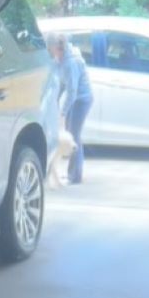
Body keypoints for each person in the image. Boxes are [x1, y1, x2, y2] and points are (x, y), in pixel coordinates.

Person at [46, 32, 93, 185]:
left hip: (82, 99)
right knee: (71, 132)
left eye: (49, 47)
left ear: (56, 47)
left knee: (73, 135)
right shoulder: (58, 60)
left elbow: (72, 91)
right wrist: (54, 101)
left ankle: (75, 175)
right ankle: (71, 173)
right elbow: (60, 85)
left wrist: (63, 112)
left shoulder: (71, 62)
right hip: (74, 98)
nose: (48, 51)